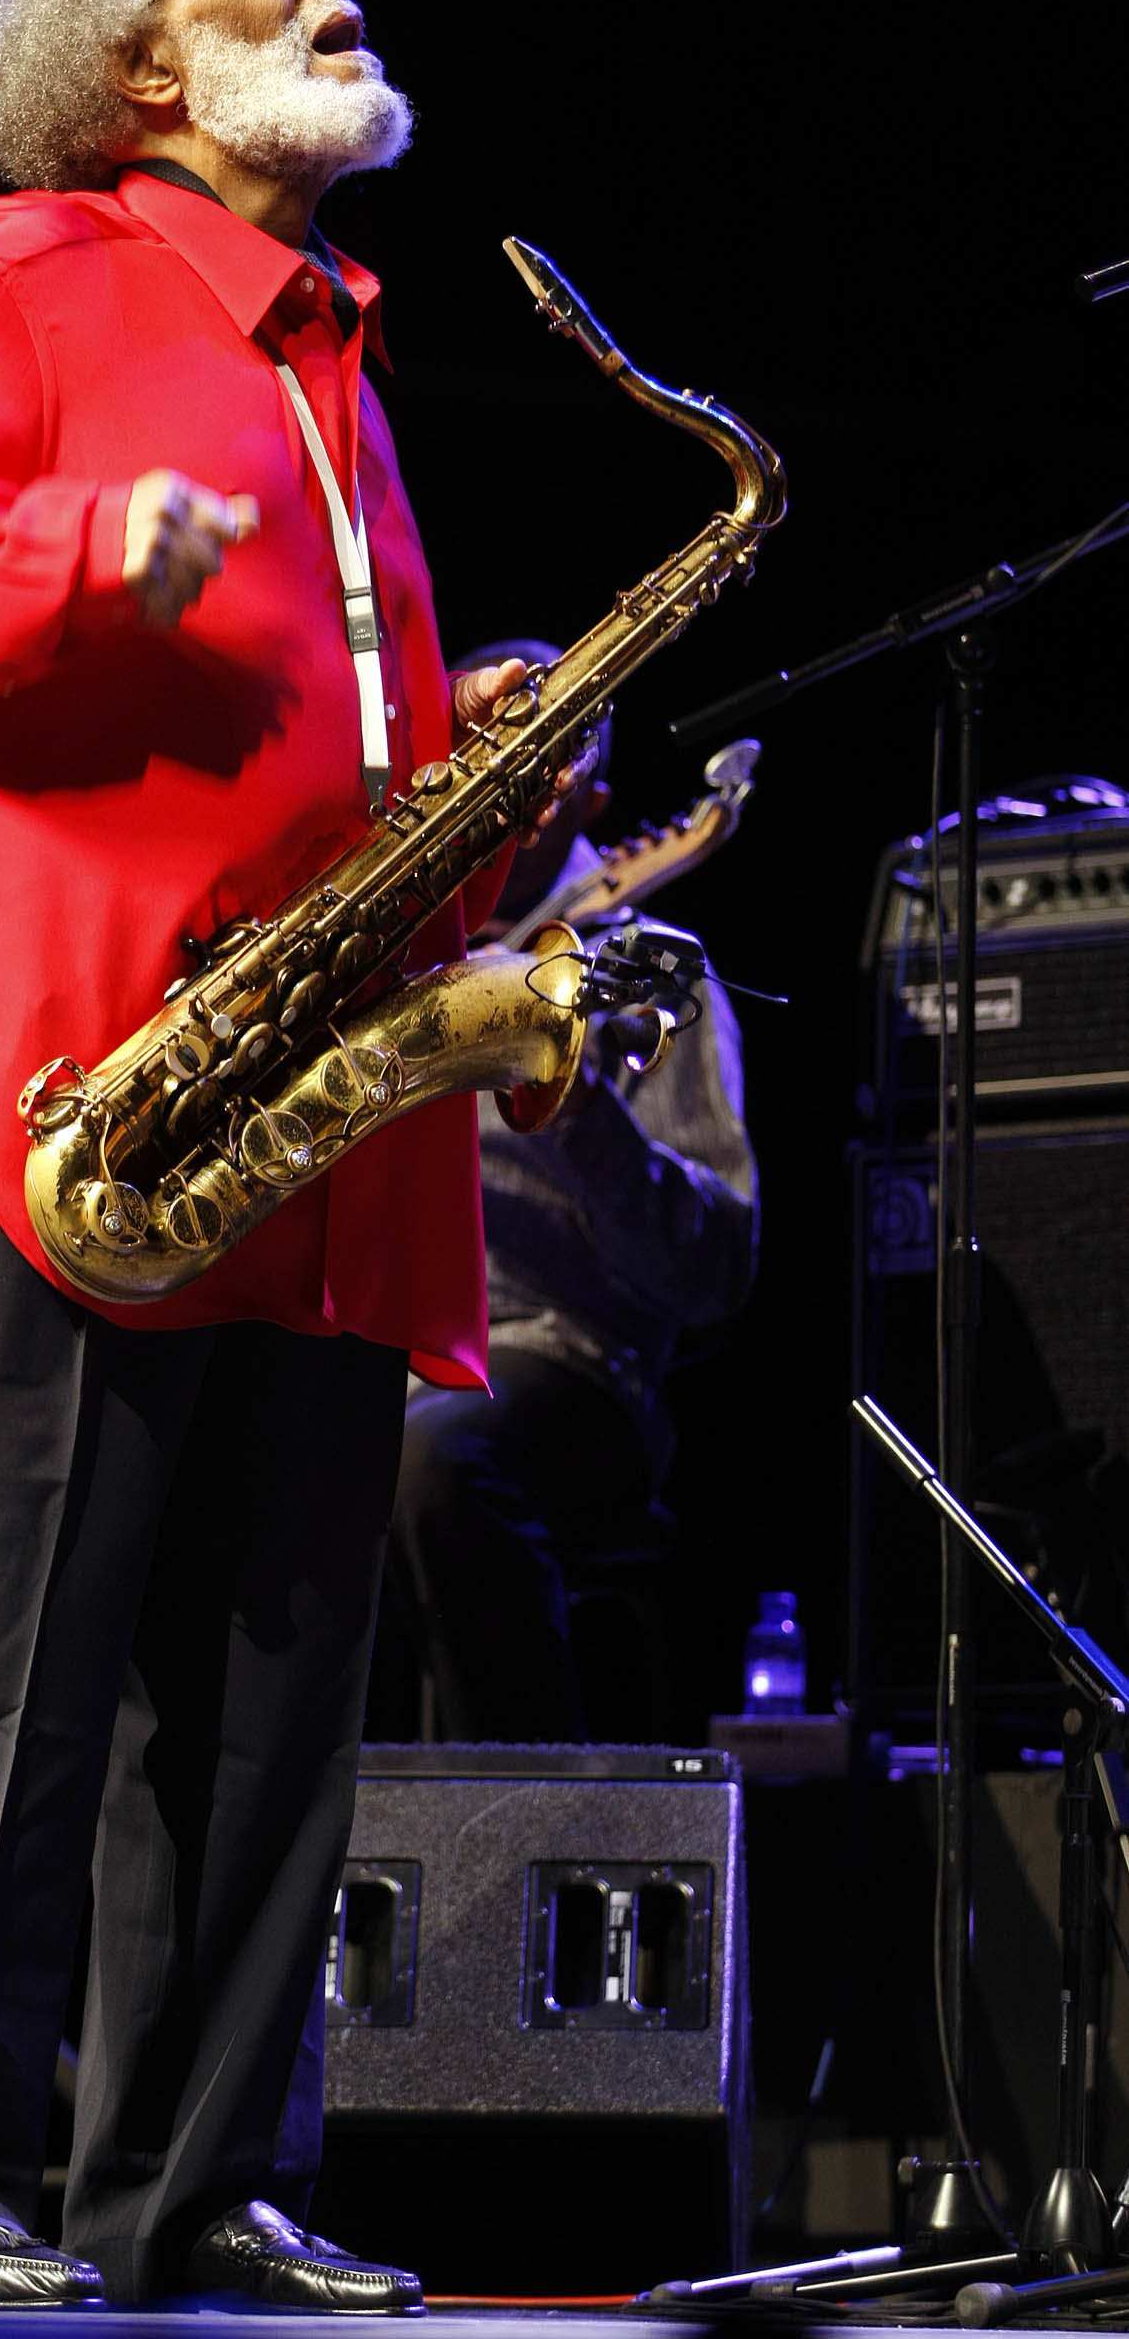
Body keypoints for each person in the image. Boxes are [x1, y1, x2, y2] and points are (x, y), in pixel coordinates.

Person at [0, 0, 585, 2313]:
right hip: (61, 1093)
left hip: (300, 1113)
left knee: (269, 1694)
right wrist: (67, 556)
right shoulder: (28, 274)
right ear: (135, 63)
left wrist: (472, 776)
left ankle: (184, 2193)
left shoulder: (329, 352)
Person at [371, 641, 758, 1744]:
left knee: (429, 1464)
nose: (515, 791)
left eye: (550, 766)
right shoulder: (404, 951)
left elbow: (712, 1268)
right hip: (384, 1359)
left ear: (591, 795)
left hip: (562, 1364)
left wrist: (580, 1105)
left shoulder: (644, 966)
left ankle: (508, 1818)